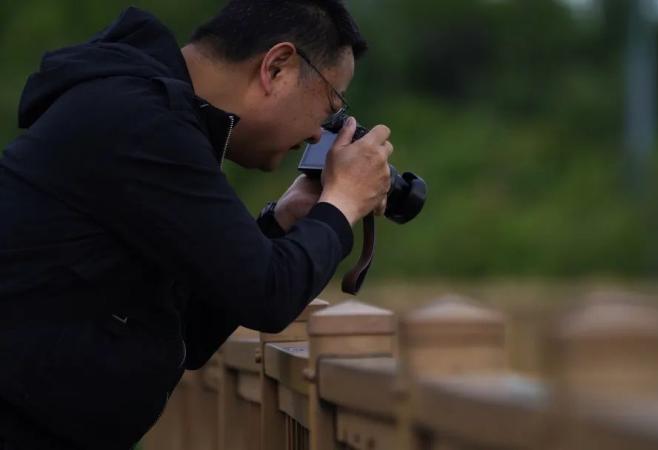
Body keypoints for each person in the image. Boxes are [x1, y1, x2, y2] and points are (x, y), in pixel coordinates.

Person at [0, 1, 393, 448]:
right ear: (277, 67)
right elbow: (268, 296)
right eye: (330, 106)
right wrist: (342, 203)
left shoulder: (140, 110)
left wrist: (283, 221)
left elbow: (190, 329)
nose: (318, 134)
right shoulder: (142, 122)